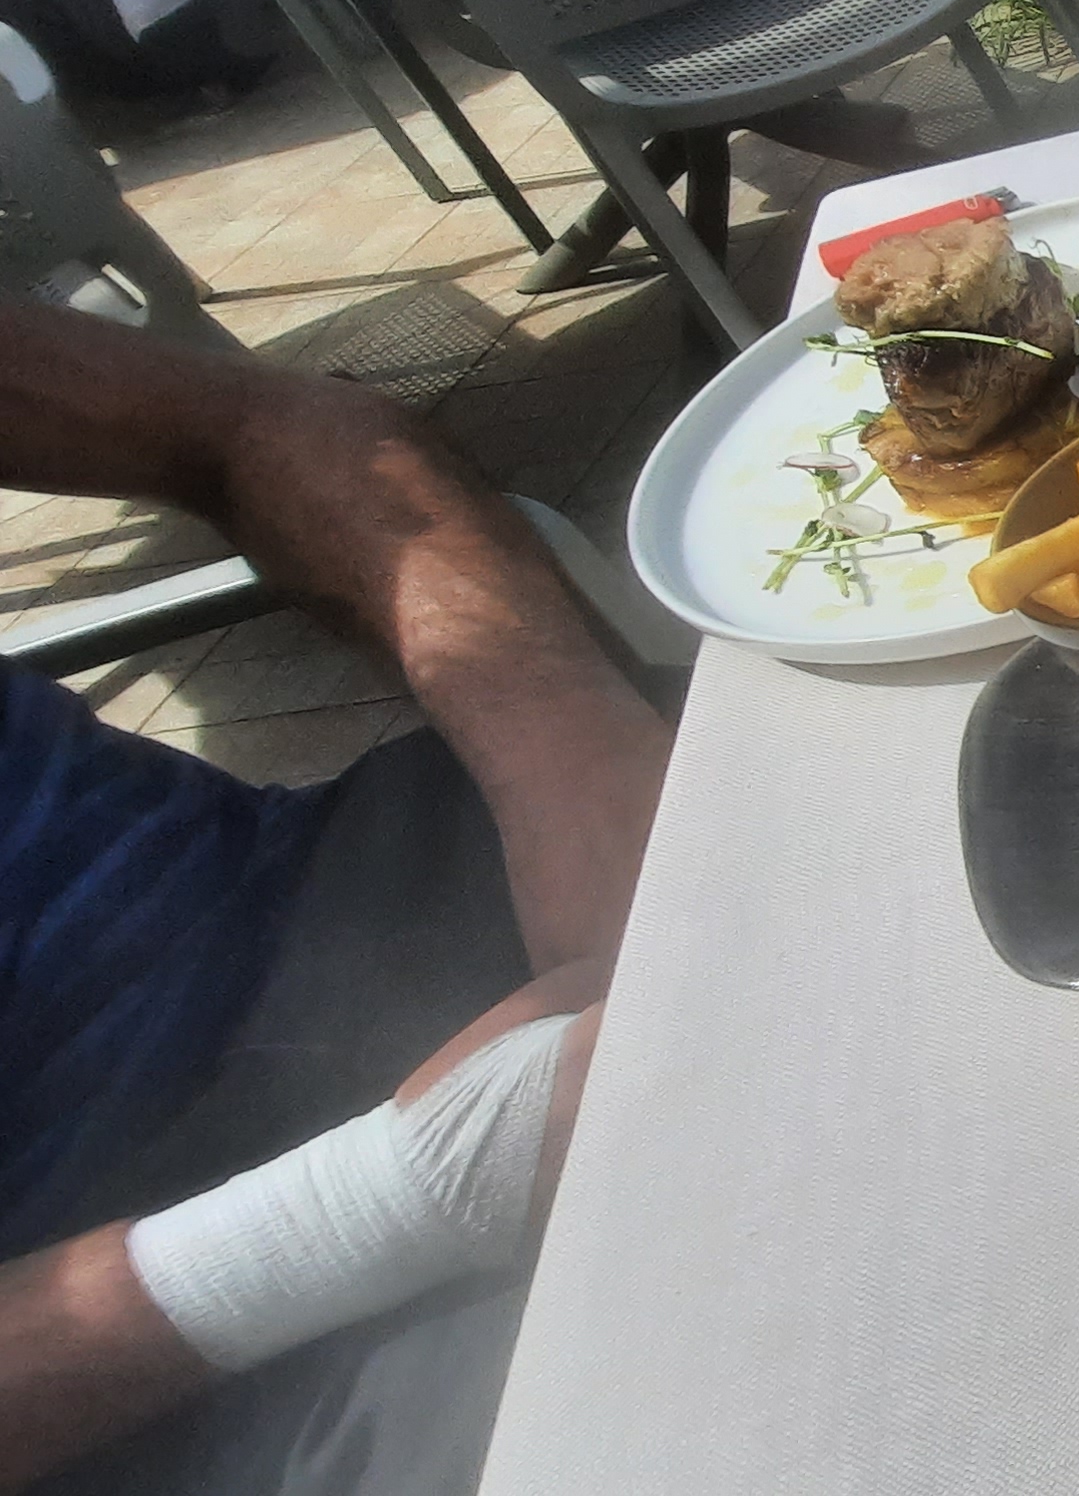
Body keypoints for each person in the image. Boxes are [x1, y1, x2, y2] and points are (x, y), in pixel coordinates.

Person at [0, 297, 672, 1491]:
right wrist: (399, 1199)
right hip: (162, 1357)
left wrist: (565, 754)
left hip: (329, 890)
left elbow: (252, 424)